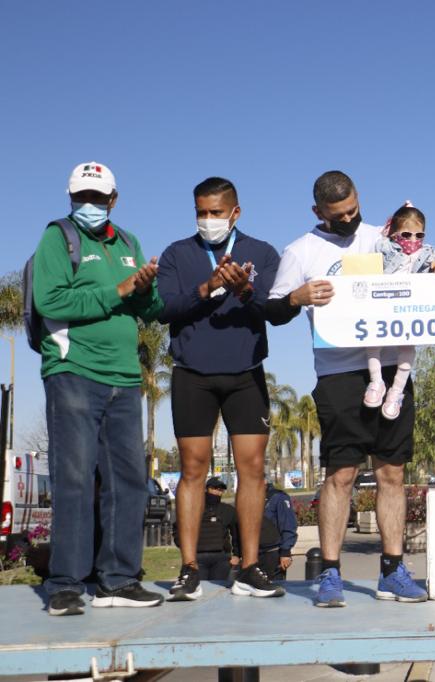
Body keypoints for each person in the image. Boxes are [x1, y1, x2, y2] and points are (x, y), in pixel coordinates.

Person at [265, 171, 427, 606]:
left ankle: (392, 571)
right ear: (318, 212)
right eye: (339, 216)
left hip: (393, 370)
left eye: (355, 209)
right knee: (341, 475)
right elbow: (273, 309)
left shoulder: (381, 235)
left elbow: (418, 266)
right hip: (337, 374)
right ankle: (330, 575)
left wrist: (413, 234)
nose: (350, 219)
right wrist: (298, 297)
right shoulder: (301, 251)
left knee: (392, 473)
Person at [32, 162, 165, 616]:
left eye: (97, 197)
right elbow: (50, 299)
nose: (88, 205)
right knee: (74, 479)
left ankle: (119, 580)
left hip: (124, 378)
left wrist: (144, 288)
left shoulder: (129, 242)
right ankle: (66, 583)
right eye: (81, 197)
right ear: (71, 197)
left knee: (130, 482)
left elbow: (149, 305)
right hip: (74, 371)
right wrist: (118, 290)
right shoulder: (59, 237)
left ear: (114, 199)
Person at [157, 177, 283, 601]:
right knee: (192, 470)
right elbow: (165, 309)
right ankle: (189, 569)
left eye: (215, 212)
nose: (208, 220)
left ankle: (248, 569)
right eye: (201, 212)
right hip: (192, 372)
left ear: (235, 213)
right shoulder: (178, 253)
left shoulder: (262, 253)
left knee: (253, 470)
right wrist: (208, 287)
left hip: (245, 373)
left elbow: (274, 308)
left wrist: (245, 291)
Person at [364, 204, 435, 419]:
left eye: (419, 235)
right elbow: (369, 270)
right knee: (372, 341)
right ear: (394, 233)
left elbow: (433, 277)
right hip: (383, 303)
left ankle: (396, 391)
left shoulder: (429, 252)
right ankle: (376, 381)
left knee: (407, 348)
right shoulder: (383, 247)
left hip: (410, 307)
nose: (412, 240)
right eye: (406, 234)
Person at [172, 478, 239, 582]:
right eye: (214, 488)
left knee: (217, 590)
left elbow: (237, 534)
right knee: (198, 588)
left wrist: (237, 555)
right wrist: (185, 550)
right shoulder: (193, 507)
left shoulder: (228, 510)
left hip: (221, 558)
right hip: (197, 557)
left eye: (220, 489)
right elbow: (178, 528)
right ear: (207, 489)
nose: (217, 491)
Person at [258, 481, 298, 581]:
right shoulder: (249, 497)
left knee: (275, 587)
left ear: (265, 481)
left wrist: (285, 552)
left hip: (273, 553)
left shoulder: (278, 497)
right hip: (253, 553)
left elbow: (288, 525)